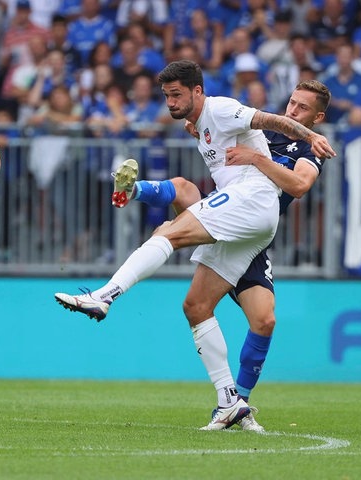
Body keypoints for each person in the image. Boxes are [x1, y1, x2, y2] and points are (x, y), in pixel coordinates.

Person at [54, 60, 335, 430]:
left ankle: (105, 296)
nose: (293, 109)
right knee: (196, 306)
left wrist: (296, 141)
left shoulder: (289, 141)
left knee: (169, 232)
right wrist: (199, 128)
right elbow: (218, 133)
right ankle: (229, 403)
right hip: (241, 217)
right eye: (292, 102)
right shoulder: (212, 119)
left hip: (252, 207)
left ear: (317, 117)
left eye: (303, 108)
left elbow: (296, 182)